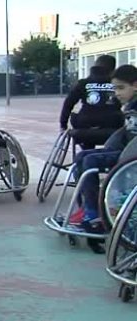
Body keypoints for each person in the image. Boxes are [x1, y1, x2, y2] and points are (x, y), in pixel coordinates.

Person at [68, 65, 137, 253]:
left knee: (90, 161)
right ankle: (89, 209)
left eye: (121, 88)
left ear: (135, 85)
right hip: (126, 152)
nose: (117, 93)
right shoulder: (129, 106)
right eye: (115, 88)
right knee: (81, 157)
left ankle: (94, 213)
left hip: (131, 158)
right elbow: (126, 132)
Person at [59, 55, 123, 149]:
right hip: (112, 128)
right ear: (113, 69)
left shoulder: (83, 83)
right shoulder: (117, 84)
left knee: (85, 132)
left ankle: (86, 152)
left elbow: (68, 103)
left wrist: (63, 125)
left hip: (84, 127)